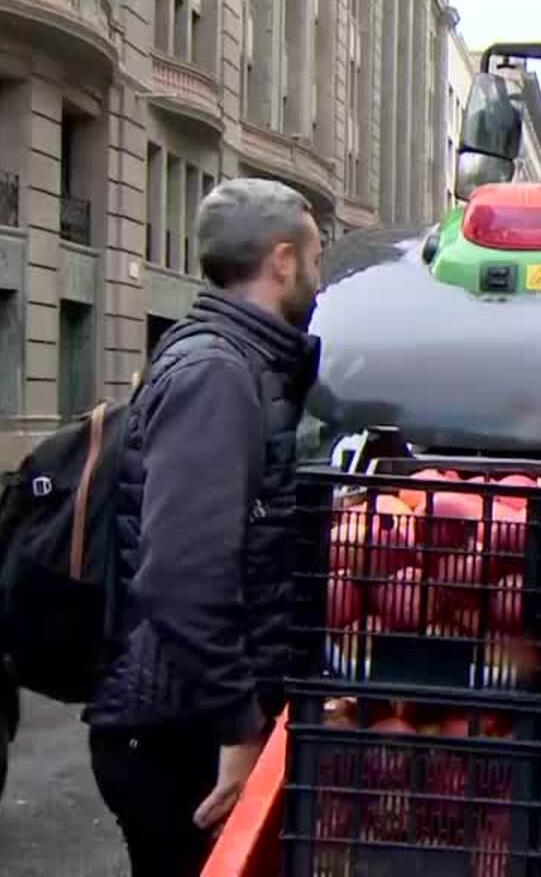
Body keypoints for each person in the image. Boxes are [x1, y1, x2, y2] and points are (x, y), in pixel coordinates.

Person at [85, 179, 322, 876]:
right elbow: (181, 576)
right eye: (314, 257)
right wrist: (238, 726)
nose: (317, 275)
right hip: (179, 737)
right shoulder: (217, 372)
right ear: (282, 261)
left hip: (183, 724)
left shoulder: (240, 363)